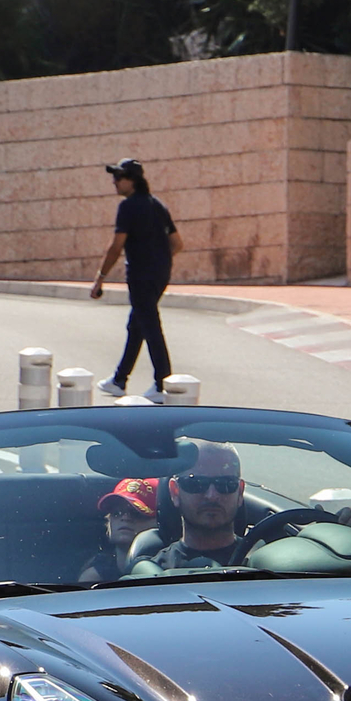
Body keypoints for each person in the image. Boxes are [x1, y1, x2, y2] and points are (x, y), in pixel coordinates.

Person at [89, 159, 183, 401]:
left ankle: (163, 384)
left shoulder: (128, 207)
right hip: (161, 274)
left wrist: (100, 278)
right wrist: (159, 258)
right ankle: (119, 380)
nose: (115, 182)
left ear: (133, 180)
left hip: (141, 274)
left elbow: (116, 246)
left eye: (119, 177)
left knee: (150, 325)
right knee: (137, 324)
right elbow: (177, 244)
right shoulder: (158, 206)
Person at [146, 443, 247, 571]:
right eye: (196, 484)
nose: (212, 495)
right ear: (175, 492)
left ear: (240, 492)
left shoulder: (265, 565)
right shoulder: (154, 574)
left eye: (225, 484)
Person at [78, 477, 159, 582]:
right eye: (117, 513)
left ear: (159, 522)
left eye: (136, 513)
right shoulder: (95, 577)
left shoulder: (171, 565)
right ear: (108, 523)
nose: (125, 518)